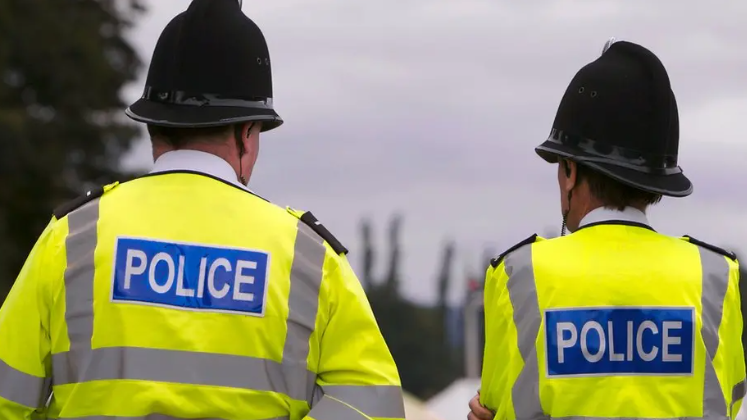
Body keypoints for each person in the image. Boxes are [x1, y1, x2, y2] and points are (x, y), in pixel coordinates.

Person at [0, 0, 406, 419]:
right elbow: (372, 408)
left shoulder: (73, 237)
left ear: (153, 126)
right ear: (247, 134)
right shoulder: (309, 258)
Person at [468, 39, 745, 419]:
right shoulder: (716, 277)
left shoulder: (517, 275)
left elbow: (496, 405)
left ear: (570, 172)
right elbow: (728, 404)